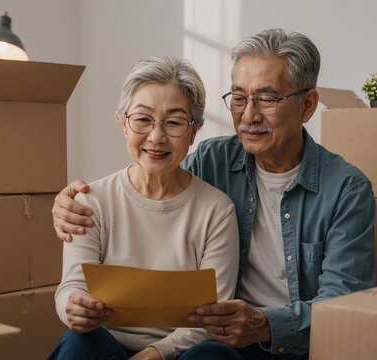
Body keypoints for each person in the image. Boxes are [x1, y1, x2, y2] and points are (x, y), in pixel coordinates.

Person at [52, 29, 376, 359]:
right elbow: (157, 173)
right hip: (220, 339)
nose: (249, 115)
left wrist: (264, 324)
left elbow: (342, 307)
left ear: (307, 105)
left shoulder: (346, 191)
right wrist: (67, 201)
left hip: (285, 346)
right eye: (239, 98)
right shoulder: (212, 160)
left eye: (266, 99)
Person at [48, 56, 240, 360]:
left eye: (174, 122)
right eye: (142, 119)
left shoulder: (217, 211)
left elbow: (212, 316)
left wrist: (157, 353)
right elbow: (71, 286)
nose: (156, 136)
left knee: (215, 357)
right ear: (123, 123)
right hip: (108, 346)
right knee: (77, 343)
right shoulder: (91, 202)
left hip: (181, 352)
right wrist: (72, 306)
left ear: (194, 131)